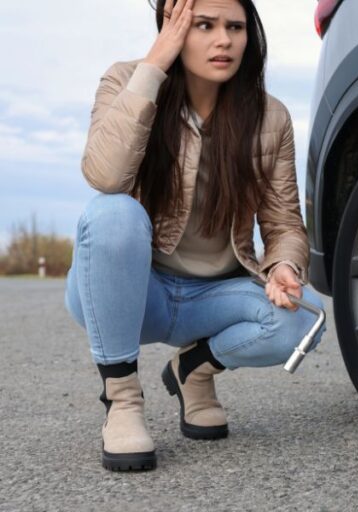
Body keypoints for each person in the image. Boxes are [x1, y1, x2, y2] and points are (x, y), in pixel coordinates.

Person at [64, 0, 326, 471]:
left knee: (307, 318)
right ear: (173, 27)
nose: (223, 40)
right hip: (135, 294)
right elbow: (104, 176)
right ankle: (122, 401)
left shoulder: (270, 117)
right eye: (203, 25)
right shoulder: (126, 80)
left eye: (235, 27)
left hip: (214, 298)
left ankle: (194, 369)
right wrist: (154, 65)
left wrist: (284, 266)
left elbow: (283, 222)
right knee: (112, 213)